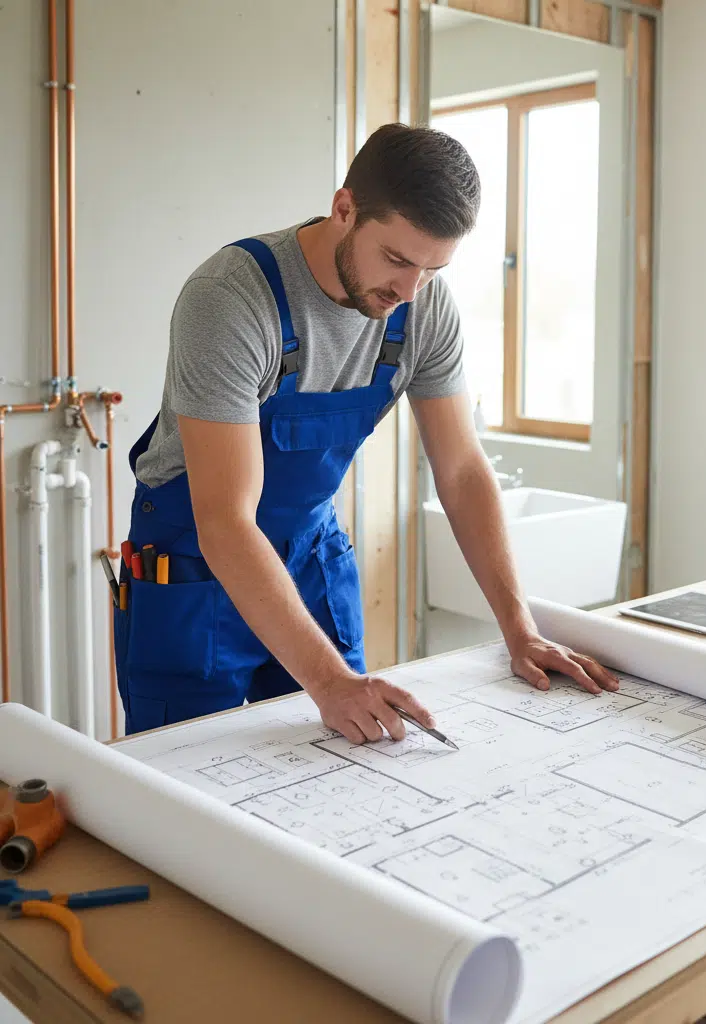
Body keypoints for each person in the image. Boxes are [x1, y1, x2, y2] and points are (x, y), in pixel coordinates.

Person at [113, 123, 618, 740]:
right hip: (195, 573)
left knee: (346, 763)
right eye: (398, 259)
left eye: (433, 270)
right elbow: (226, 519)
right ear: (344, 208)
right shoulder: (232, 300)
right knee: (188, 781)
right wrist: (327, 682)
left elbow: (460, 471)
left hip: (310, 562)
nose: (408, 292)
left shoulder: (422, 306)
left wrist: (519, 627)